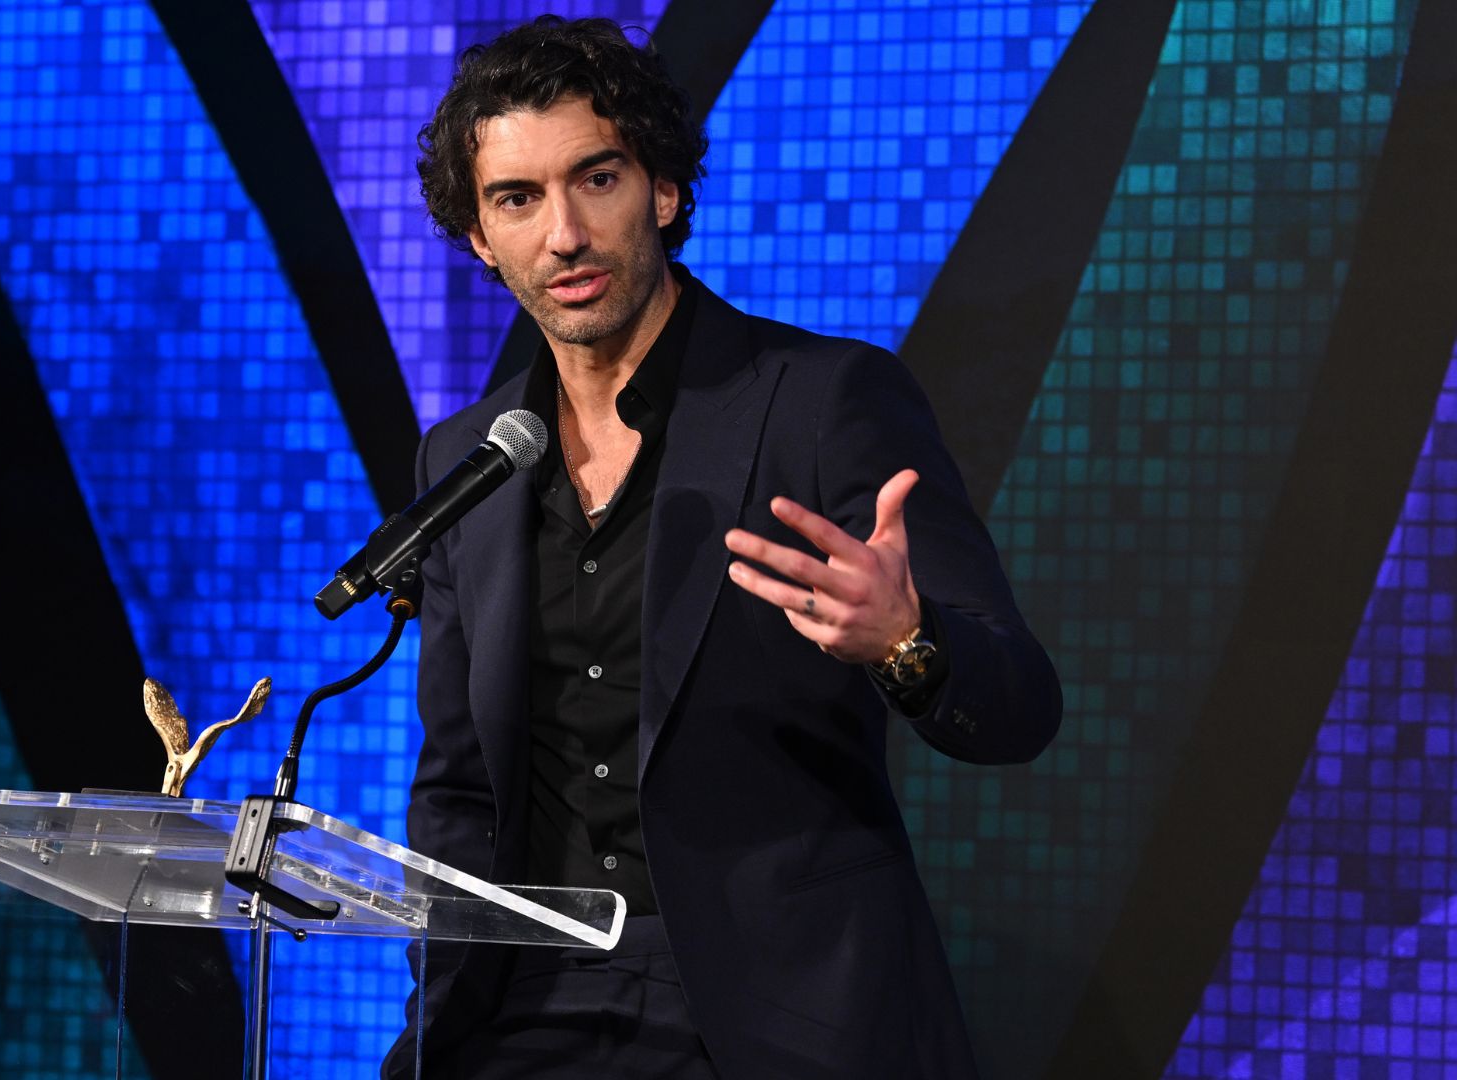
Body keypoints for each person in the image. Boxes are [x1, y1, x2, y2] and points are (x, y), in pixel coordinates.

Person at [383, 16, 1061, 1079]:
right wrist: (434, 1020)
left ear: (660, 190)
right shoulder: (470, 457)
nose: (563, 233)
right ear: (479, 236)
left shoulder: (823, 402)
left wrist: (906, 642)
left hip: (775, 1014)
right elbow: (461, 786)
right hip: (525, 1008)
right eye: (517, 199)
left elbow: (1018, 705)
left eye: (595, 179)